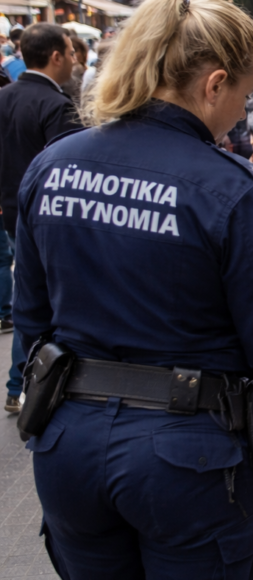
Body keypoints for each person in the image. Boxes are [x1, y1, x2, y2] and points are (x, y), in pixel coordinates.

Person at [14, 0, 253, 575]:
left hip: (69, 447)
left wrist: (42, 417)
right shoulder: (230, 190)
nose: (241, 111)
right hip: (190, 459)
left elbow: (31, 316)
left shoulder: (53, 166)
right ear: (214, 85)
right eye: (245, 94)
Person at [0, 22, 79, 414]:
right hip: (46, 219)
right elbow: (68, 173)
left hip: (12, 210)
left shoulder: (5, 96)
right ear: (55, 56)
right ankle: (27, 382)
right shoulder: (57, 105)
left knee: (28, 293)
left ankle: (18, 385)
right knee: (39, 297)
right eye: (71, 52)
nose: (75, 59)